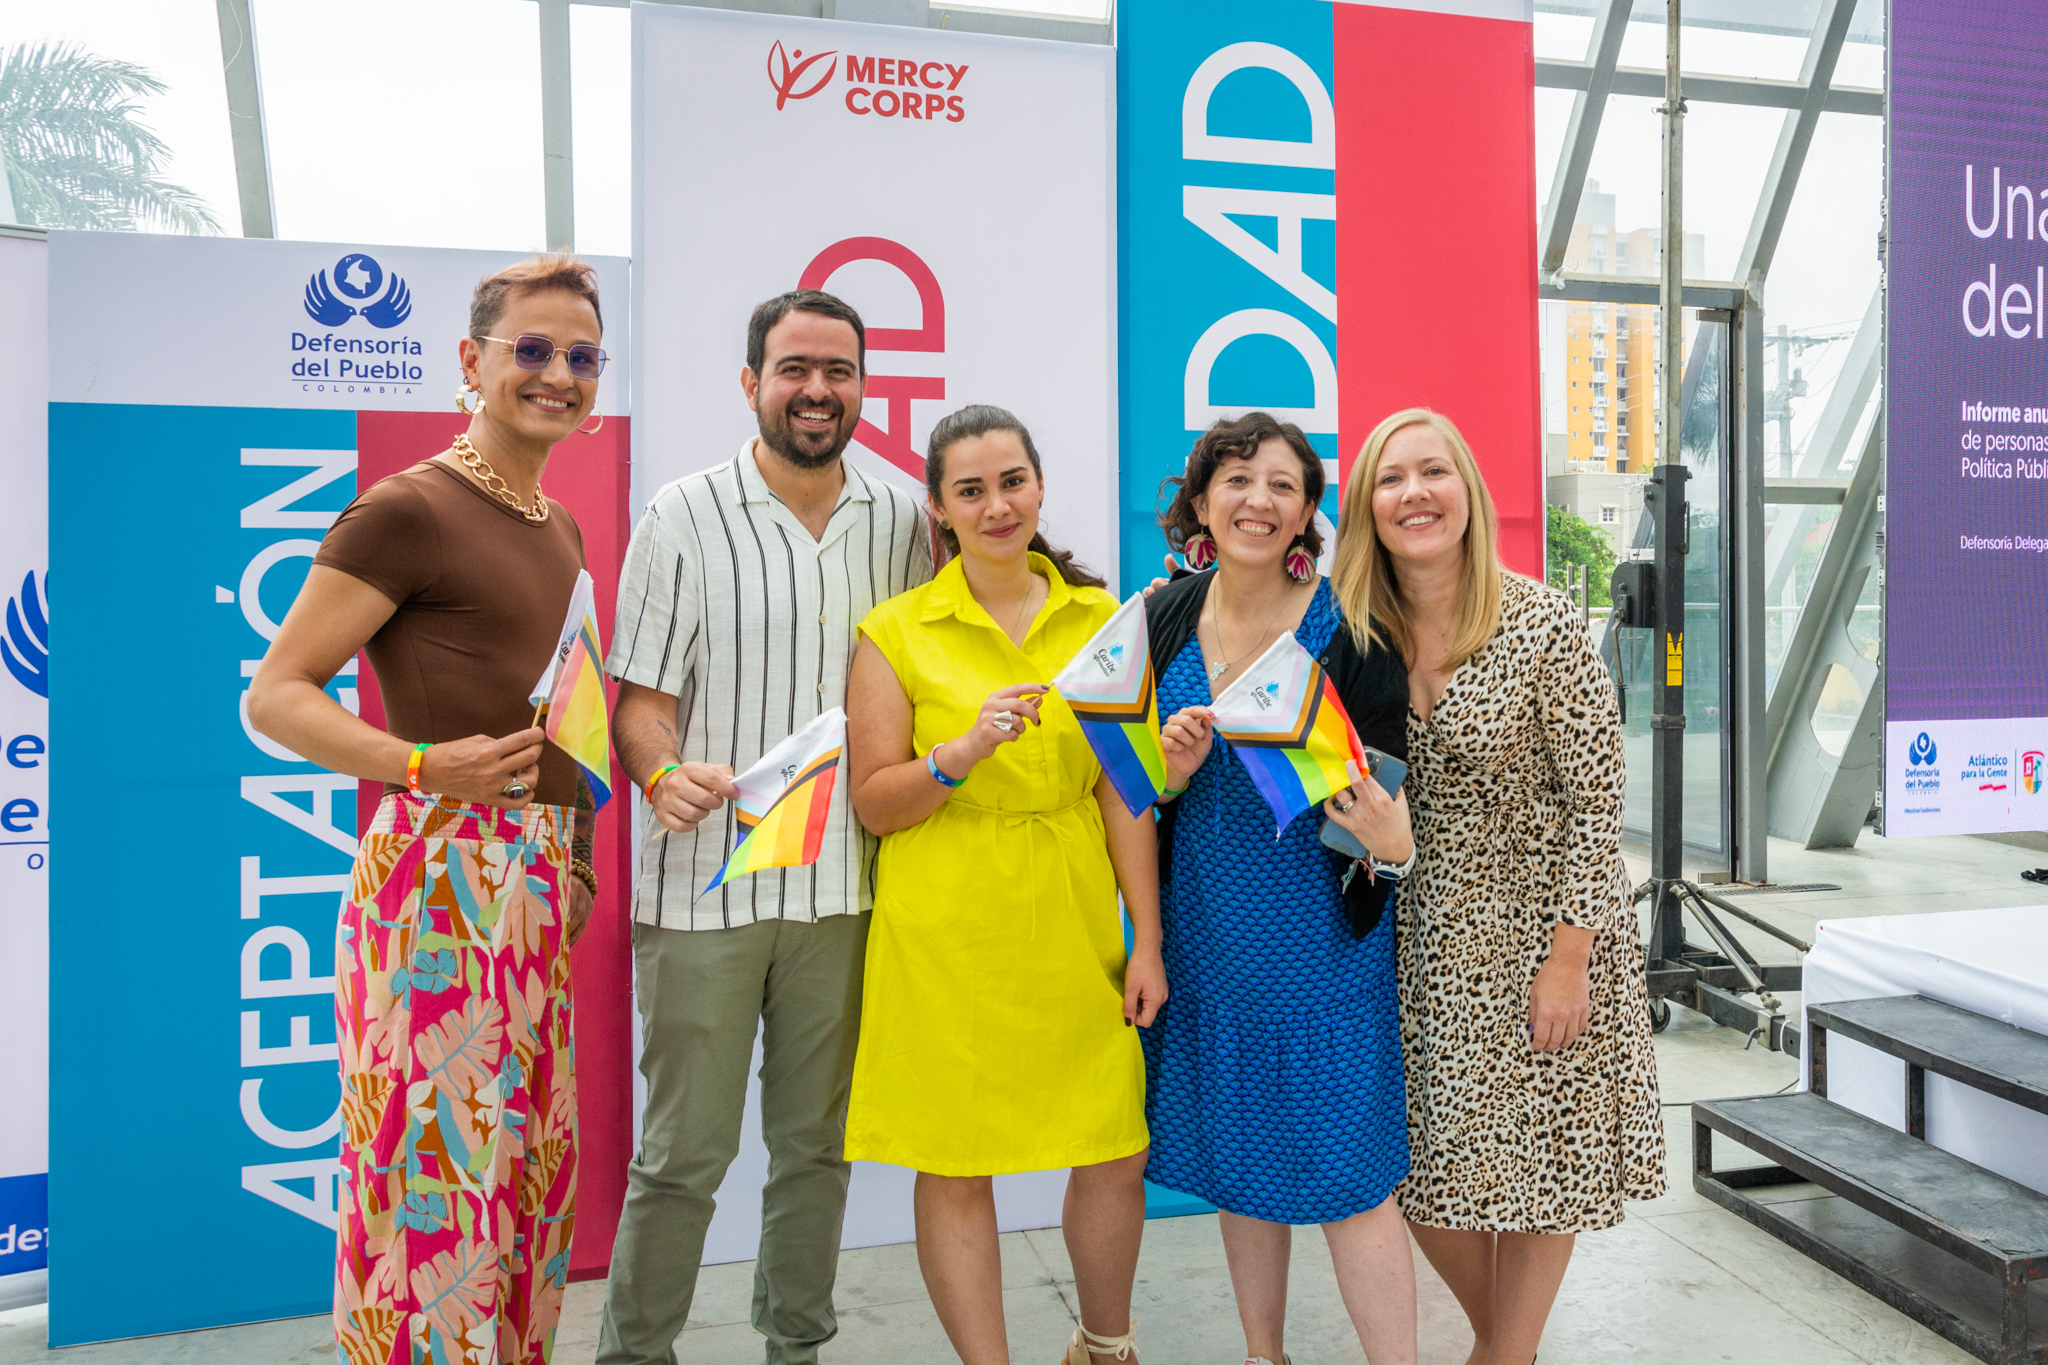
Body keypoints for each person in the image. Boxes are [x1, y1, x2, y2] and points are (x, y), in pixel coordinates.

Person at [249, 255, 607, 1365]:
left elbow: (571, 717)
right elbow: (276, 695)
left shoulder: (561, 527)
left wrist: (579, 858)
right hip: (437, 880)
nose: (557, 375)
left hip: (536, 882)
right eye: (532, 350)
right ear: (471, 361)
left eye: (582, 357)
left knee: (526, 1188)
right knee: (432, 1197)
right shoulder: (406, 509)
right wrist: (413, 765)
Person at [596, 289, 932, 1365]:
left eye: (837, 370)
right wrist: (658, 775)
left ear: (862, 387)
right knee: (680, 1160)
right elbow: (638, 710)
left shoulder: (902, 523)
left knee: (814, 1153)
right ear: (751, 384)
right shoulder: (680, 515)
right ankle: (634, 1355)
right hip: (705, 889)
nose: (816, 390)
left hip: (844, 890)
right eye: (793, 369)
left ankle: (797, 1348)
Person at [1333, 407, 1666, 1365]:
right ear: (1369, 507)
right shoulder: (1357, 638)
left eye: (1433, 471)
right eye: (1392, 479)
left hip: (1542, 936)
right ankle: (1503, 1347)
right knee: (1418, 1172)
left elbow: (1597, 807)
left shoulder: (1545, 622)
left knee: (1539, 1159)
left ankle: (1506, 1353)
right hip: (1417, 937)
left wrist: (1572, 961)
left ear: (1467, 492)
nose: (1414, 494)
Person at [844, 404, 1168, 1365]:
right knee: (954, 1162)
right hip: (945, 923)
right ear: (939, 508)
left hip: (1073, 915)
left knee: (1114, 1145)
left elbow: (1127, 791)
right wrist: (959, 752)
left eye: (1011, 482)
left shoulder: (1106, 620)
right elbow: (875, 802)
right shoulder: (895, 630)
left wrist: (1146, 938)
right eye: (971, 490)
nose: (997, 505)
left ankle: (1104, 1346)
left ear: (1038, 485)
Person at [1141, 412, 1419, 1365]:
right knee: (1240, 1157)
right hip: (1206, 929)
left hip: (1320, 934)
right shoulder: (1164, 614)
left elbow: (1382, 784)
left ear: (1308, 513)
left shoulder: (1352, 623)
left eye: (1282, 485)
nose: (1258, 500)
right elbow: (1138, 793)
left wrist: (1384, 828)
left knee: (1350, 1178)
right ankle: (1264, 1353)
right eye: (1237, 480)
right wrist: (1171, 770)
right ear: (1202, 501)